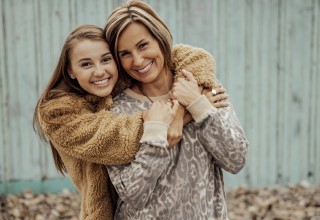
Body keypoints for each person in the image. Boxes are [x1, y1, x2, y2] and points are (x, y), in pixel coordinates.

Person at [33, 24, 228, 219]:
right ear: (70, 70)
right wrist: (187, 111)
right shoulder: (57, 114)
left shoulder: (119, 84)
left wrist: (190, 101)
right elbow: (115, 138)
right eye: (86, 64)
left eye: (106, 59)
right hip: (103, 211)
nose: (100, 71)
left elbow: (193, 57)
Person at [104, 0, 249, 219]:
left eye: (143, 45)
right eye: (125, 53)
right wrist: (156, 136)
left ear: (160, 38)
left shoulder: (204, 86)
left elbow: (236, 159)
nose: (138, 60)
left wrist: (198, 106)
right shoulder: (118, 110)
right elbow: (132, 195)